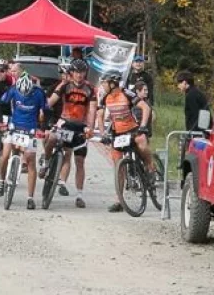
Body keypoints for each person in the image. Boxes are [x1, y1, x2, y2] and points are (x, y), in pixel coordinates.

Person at [96, 71, 155, 213]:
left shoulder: (126, 93)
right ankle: (119, 200)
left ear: (112, 83)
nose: (103, 85)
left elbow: (146, 108)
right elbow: (100, 116)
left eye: (104, 82)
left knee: (141, 140)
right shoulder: (105, 97)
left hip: (132, 129)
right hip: (117, 133)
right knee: (118, 167)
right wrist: (103, 133)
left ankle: (150, 166)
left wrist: (143, 126)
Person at [42, 59, 96, 209]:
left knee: (80, 161)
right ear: (71, 73)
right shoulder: (65, 86)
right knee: (51, 138)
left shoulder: (90, 89)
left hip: (81, 126)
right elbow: (50, 102)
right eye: (76, 72)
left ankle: (79, 195)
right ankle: (46, 163)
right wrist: (43, 114)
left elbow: (92, 110)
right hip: (65, 121)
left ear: (86, 73)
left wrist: (90, 127)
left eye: (82, 72)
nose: (79, 75)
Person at [0, 75, 48, 210]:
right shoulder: (13, 89)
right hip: (14, 126)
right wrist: (1, 122)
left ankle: (30, 198)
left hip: (30, 128)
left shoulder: (39, 93)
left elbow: (46, 111)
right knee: (5, 154)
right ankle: (1, 181)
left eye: (27, 93)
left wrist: (44, 128)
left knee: (31, 161)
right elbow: (0, 105)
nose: (24, 95)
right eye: (22, 93)